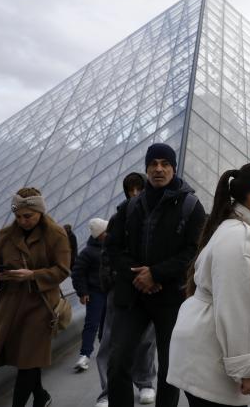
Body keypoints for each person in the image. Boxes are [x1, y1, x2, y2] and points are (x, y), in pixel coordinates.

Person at [168, 163, 250, 406]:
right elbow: (236, 309)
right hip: (210, 356)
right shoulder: (238, 239)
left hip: (209, 350)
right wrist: (247, 370)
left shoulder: (243, 230)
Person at [106, 144, 207, 407]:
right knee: (117, 362)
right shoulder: (129, 207)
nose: (159, 169)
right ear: (146, 167)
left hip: (172, 296)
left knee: (170, 369)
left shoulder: (191, 206)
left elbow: (195, 251)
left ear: (174, 168)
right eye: (154, 164)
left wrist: (156, 274)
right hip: (134, 296)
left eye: (165, 163)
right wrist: (139, 276)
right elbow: (113, 248)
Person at [0, 187, 71, 407]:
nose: (23, 221)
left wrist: (33, 275)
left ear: (40, 211)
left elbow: (63, 270)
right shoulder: (5, 236)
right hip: (10, 307)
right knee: (28, 360)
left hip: (40, 306)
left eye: (28, 216)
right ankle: (41, 396)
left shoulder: (56, 235)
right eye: (18, 216)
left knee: (28, 362)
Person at [95, 172, 158, 407]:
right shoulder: (119, 215)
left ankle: (145, 383)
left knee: (146, 341)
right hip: (120, 288)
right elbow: (108, 253)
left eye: (138, 188)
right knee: (110, 341)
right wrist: (110, 283)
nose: (134, 194)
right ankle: (108, 391)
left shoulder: (156, 217)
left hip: (149, 286)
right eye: (130, 189)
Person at [71, 218, 109, 373]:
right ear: (98, 234)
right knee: (92, 324)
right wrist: (83, 292)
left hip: (110, 292)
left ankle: (105, 350)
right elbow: (77, 273)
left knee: (107, 325)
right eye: (106, 231)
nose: (109, 234)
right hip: (95, 293)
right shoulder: (88, 252)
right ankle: (84, 354)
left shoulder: (113, 248)